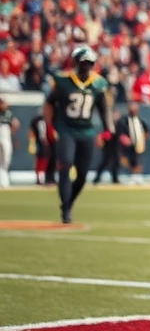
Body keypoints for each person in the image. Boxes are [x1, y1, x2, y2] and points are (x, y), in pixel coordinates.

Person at [45, 46, 114, 223]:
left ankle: (68, 203)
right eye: (83, 62)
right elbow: (49, 103)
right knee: (65, 166)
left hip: (86, 131)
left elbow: (103, 107)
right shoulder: (63, 81)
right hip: (67, 129)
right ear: (76, 63)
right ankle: (66, 210)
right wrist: (49, 126)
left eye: (90, 63)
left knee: (83, 175)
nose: (86, 66)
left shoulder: (98, 83)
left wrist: (108, 128)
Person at [115, 102, 149, 184]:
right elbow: (120, 131)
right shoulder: (124, 120)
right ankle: (130, 176)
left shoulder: (139, 120)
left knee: (138, 160)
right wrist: (124, 138)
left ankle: (137, 176)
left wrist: (143, 138)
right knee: (128, 161)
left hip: (138, 144)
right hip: (128, 145)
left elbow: (146, 130)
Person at [94, 107, 123, 185]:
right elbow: (103, 134)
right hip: (108, 146)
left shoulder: (119, 124)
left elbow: (120, 134)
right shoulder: (106, 124)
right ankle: (97, 178)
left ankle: (115, 178)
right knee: (106, 161)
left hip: (116, 146)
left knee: (116, 162)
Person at [28, 109, 52, 185]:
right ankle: (40, 179)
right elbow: (31, 132)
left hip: (48, 144)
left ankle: (46, 178)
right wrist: (32, 143)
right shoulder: (37, 121)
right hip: (41, 144)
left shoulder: (50, 119)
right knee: (41, 161)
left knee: (46, 161)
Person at [0, 97, 19, 188]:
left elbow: (15, 124)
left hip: (5, 136)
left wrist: (11, 134)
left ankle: (4, 179)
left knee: (6, 158)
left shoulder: (8, 114)